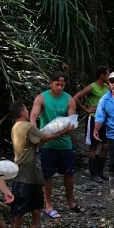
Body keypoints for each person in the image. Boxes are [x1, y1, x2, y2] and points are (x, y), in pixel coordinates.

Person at [10, 101, 68, 228]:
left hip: (28, 170)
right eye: (26, 109)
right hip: (25, 170)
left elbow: (38, 141)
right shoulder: (27, 126)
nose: (28, 111)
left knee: (32, 201)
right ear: (22, 113)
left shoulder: (16, 127)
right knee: (23, 202)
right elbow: (45, 138)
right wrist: (64, 131)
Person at [30, 71, 84, 218]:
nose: (60, 87)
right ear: (50, 83)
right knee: (48, 175)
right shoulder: (42, 98)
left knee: (69, 174)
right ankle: (48, 205)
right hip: (47, 144)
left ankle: (70, 202)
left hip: (65, 143)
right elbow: (33, 117)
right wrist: (36, 134)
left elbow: (72, 119)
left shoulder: (69, 99)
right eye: (57, 84)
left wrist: (72, 127)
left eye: (62, 85)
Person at [74, 66, 110, 183]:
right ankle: (93, 174)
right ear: (102, 75)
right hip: (93, 119)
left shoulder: (106, 87)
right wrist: (86, 109)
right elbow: (76, 97)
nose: (109, 77)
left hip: (105, 120)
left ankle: (100, 171)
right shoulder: (92, 87)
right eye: (107, 74)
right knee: (93, 146)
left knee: (105, 146)